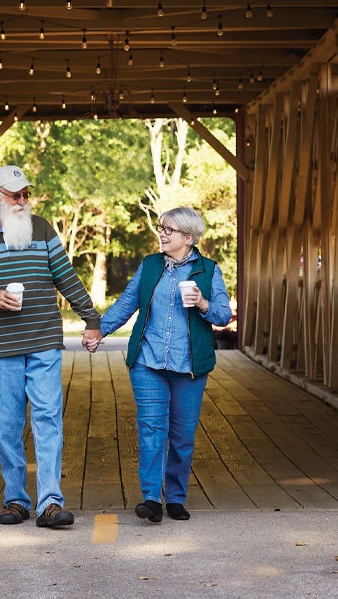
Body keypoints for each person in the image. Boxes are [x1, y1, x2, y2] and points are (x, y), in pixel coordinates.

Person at [0, 165, 102, 528]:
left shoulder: (43, 229)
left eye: (25, 194)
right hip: (0, 346)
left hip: (44, 339)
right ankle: (16, 499)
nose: (22, 200)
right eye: (15, 194)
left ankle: (50, 503)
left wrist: (91, 319)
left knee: (48, 417)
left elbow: (65, 275)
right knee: (7, 423)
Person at [97, 207, 232, 523]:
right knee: (151, 429)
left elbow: (224, 315)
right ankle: (150, 499)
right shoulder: (150, 265)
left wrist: (202, 304)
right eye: (161, 228)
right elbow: (126, 305)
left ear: (188, 237)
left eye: (169, 230)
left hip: (190, 367)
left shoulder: (209, 270)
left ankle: (175, 497)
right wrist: (97, 330)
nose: (162, 233)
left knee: (183, 435)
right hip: (149, 361)